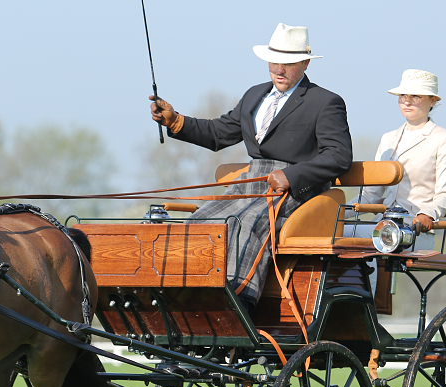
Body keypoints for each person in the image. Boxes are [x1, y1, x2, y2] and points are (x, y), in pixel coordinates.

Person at [150, 23, 352, 312]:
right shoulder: (254, 95)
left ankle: (238, 300)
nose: (279, 69)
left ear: (305, 63)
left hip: (296, 190)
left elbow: (339, 157)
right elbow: (219, 133)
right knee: (200, 223)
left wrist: (291, 175)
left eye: (288, 63)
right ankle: (189, 293)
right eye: (274, 61)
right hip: (250, 181)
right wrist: (176, 121)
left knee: (245, 223)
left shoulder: (326, 102)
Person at [352, 69, 446, 248]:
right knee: (335, 232)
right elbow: (371, 195)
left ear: (433, 100)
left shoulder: (444, 138)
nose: (407, 101)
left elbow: (444, 194)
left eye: (416, 96)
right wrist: (333, 212)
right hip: (383, 224)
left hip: (414, 230)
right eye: (403, 95)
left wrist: (427, 215)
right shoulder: (388, 139)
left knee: (354, 239)